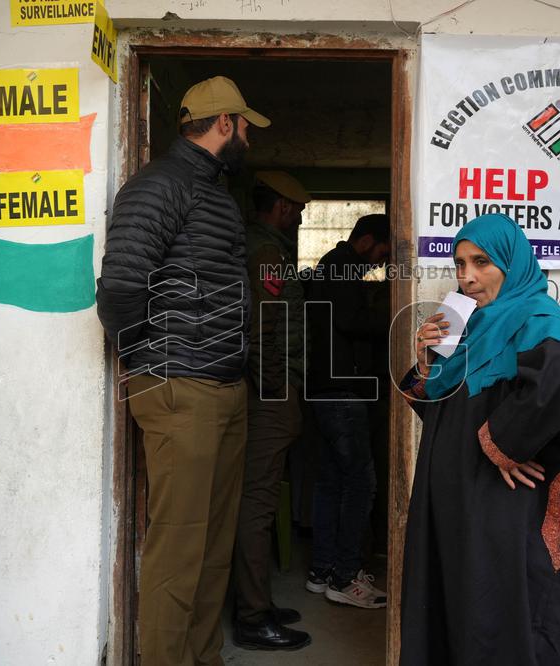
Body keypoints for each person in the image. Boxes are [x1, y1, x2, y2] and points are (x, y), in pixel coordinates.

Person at [95, 75, 269, 666]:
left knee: (213, 543)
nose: (249, 136)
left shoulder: (213, 191)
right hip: (181, 386)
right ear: (225, 123)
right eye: (245, 125)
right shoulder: (159, 186)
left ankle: (202, 657)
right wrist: (150, 362)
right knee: (178, 547)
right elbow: (120, 288)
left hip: (221, 385)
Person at [398, 213, 560, 665]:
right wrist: (428, 360)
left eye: (482, 262)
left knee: (496, 617)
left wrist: (505, 444)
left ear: (513, 263)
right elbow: (443, 412)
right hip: (456, 503)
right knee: (457, 609)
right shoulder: (468, 326)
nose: (467, 277)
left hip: (499, 506)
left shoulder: (536, 317)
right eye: (460, 264)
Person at [231, 171, 312, 651]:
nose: (298, 218)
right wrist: (275, 391)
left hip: (267, 391)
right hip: (268, 394)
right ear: (281, 207)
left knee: (255, 499)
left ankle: (254, 600)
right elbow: (263, 328)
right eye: (296, 210)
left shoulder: (261, 247)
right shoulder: (265, 253)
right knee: (257, 503)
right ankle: (252, 615)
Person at [304, 214, 391, 609]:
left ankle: (322, 571)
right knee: (360, 483)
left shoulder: (332, 266)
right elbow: (351, 320)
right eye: (383, 252)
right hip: (342, 391)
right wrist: (396, 308)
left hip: (326, 389)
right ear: (367, 241)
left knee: (331, 483)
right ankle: (344, 577)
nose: (383, 260)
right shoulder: (340, 268)